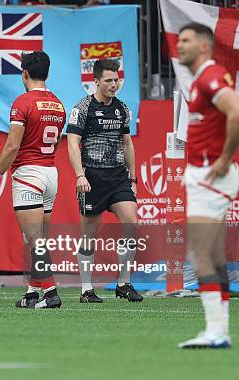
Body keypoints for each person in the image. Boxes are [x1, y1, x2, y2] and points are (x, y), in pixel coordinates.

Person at [176, 23, 239, 349]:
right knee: (215, 256)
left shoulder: (209, 76)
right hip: (205, 175)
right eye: (179, 40)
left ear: (204, 46)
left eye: (186, 40)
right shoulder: (199, 80)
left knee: (198, 252)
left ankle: (215, 331)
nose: (179, 45)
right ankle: (221, 330)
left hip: (211, 176)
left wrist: (223, 159)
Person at [0, 51, 65, 309]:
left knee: (35, 240)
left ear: (25, 74)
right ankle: (33, 292)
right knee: (36, 238)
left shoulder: (22, 103)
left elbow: (12, 146)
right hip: (51, 174)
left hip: (28, 174)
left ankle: (51, 292)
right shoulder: (57, 103)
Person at [66, 58, 143, 303]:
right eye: (108, 80)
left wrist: (133, 178)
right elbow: (71, 143)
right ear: (96, 81)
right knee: (89, 234)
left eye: (116, 80)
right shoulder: (83, 107)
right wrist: (80, 175)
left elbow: (127, 143)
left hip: (119, 177)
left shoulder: (122, 108)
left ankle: (124, 283)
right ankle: (86, 290)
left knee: (131, 221)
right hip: (93, 178)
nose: (113, 84)